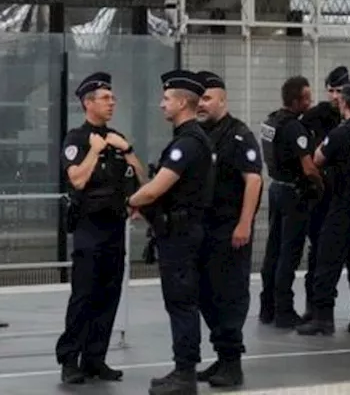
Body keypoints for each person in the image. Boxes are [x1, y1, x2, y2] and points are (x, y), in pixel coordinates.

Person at [55, 72, 145, 384]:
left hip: (113, 227)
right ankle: (70, 359)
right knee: (84, 295)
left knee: (109, 293)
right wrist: (95, 150)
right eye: (105, 98)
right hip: (88, 228)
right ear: (87, 103)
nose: (112, 103)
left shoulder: (117, 138)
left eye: (113, 98)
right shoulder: (76, 139)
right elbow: (77, 179)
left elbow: (143, 178)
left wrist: (128, 148)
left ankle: (96, 358)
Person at [130, 70, 215, 395]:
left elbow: (156, 189)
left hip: (181, 235)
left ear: (182, 102)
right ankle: (182, 369)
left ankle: (185, 375)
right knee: (179, 302)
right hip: (178, 232)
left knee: (181, 303)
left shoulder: (189, 143)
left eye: (166, 99)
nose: (161, 104)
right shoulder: (188, 139)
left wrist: (131, 201)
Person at [297, 80, 350, 336]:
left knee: (328, 259)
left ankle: (323, 317)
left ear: (344, 103)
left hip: (342, 201)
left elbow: (318, 159)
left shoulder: (340, 133)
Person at [194, 71, 263, 388]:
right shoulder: (197, 134)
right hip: (204, 229)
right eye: (198, 99)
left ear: (222, 99)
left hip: (230, 229)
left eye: (207, 98)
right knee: (206, 295)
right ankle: (222, 356)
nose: (201, 104)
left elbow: (254, 179)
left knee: (230, 296)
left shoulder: (239, 135)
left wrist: (245, 223)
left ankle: (232, 363)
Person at [258, 75, 321, 328]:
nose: (311, 101)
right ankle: (284, 310)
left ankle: (267, 307)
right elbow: (308, 167)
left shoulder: (271, 121)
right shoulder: (295, 127)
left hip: (275, 189)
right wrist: (320, 183)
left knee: (273, 249)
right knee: (289, 252)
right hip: (294, 194)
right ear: (296, 101)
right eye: (307, 97)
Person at [298, 66, 349, 322]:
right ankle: (315, 305)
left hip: (344, 193)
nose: (335, 96)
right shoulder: (314, 116)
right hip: (321, 193)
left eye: (340, 91)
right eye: (331, 90)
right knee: (318, 251)